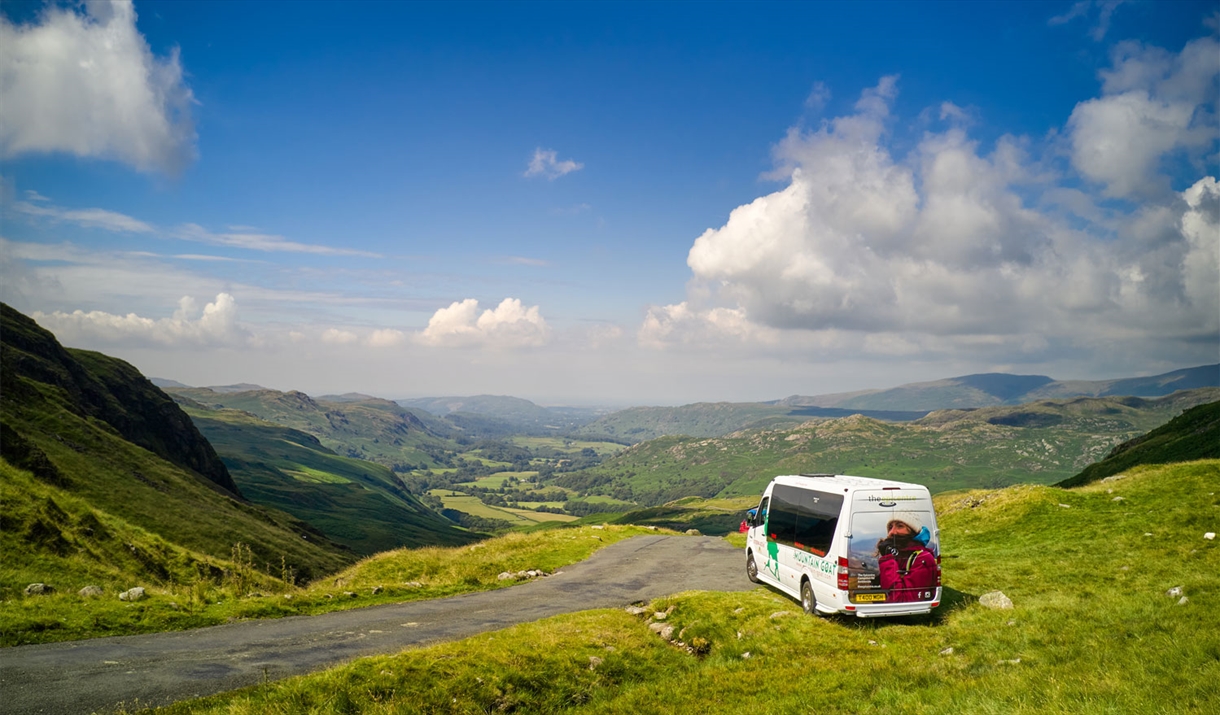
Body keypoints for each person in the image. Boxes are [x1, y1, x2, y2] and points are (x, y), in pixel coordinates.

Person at [875, 514, 937, 603]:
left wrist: (887, 559)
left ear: (912, 531)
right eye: (890, 527)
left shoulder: (922, 558)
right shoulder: (897, 555)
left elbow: (902, 601)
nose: (892, 532)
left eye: (900, 526)